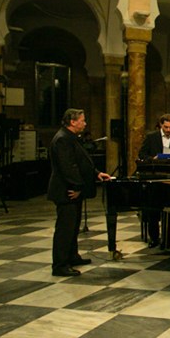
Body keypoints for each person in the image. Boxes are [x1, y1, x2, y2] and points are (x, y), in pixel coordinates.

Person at [48, 108, 111, 276]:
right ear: (72, 121)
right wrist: (76, 188)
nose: (85, 123)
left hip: (72, 190)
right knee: (65, 229)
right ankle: (60, 265)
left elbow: (82, 161)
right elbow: (68, 167)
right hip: (66, 191)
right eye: (82, 120)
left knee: (73, 227)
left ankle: (72, 256)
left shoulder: (71, 138)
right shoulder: (62, 139)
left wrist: (96, 173)